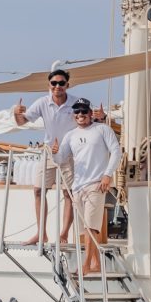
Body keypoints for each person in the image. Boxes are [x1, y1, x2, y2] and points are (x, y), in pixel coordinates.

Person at [51, 97, 121, 275]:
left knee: (91, 227)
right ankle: (96, 264)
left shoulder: (102, 129)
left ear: (90, 113)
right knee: (85, 229)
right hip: (78, 187)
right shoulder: (70, 135)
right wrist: (54, 153)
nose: (80, 114)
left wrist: (107, 175)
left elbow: (116, 151)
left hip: (96, 184)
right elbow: (61, 160)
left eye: (83, 111)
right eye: (77, 111)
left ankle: (85, 266)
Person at [13, 69, 79, 245]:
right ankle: (41, 233)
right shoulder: (43, 102)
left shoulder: (75, 103)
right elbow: (21, 122)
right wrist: (15, 112)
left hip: (70, 152)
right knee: (38, 190)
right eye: (54, 83)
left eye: (61, 83)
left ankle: (64, 235)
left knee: (69, 193)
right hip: (49, 151)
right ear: (49, 85)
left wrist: (100, 117)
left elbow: (89, 121)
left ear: (67, 85)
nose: (57, 86)